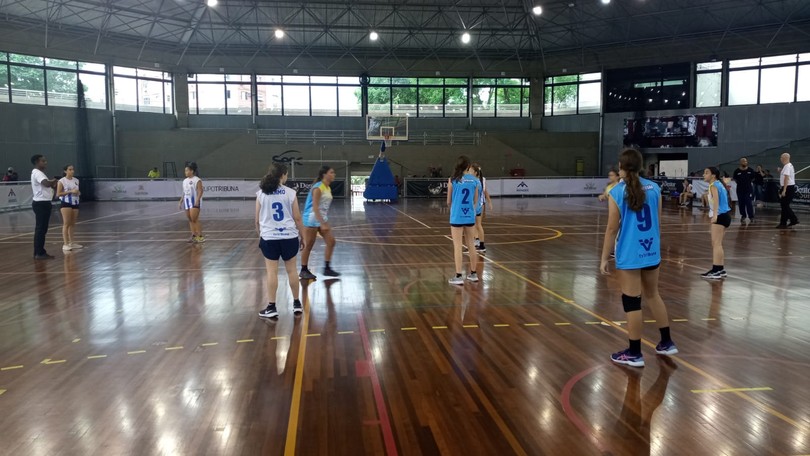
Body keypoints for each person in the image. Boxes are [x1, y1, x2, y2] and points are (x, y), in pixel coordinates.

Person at [600, 148, 677, 367]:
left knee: (632, 302)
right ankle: (667, 341)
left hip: (630, 253)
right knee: (653, 295)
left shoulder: (616, 192)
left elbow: (611, 229)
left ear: (622, 167)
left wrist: (604, 258)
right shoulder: (655, 188)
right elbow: (659, 222)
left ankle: (634, 352)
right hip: (652, 250)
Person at [256, 163, 306, 318]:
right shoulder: (290, 193)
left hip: (269, 238)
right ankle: (297, 303)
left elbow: (257, 220)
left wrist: (262, 235)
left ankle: (271, 307)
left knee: (272, 272)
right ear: (283, 175)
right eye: (286, 175)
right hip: (289, 237)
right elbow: (297, 218)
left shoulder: (261, 193)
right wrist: (303, 235)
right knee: (292, 270)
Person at [299, 165, 340, 279]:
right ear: (324, 175)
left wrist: (323, 220)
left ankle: (327, 268)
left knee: (331, 242)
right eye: (331, 172)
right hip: (311, 218)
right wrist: (322, 223)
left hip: (321, 218)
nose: (333, 174)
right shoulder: (318, 188)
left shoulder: (327, 187)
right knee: (309, 245)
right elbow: (315, 207)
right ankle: (303, 269)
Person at [447, 155, 480, 285]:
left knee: (457, 246)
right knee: (471, 244)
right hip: (470, 216)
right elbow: (475, 201)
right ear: (468, 166)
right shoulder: (475, 181)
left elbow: (448, 201)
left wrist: (455, 206)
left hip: (456, 216)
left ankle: (459, 275)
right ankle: (473, 274)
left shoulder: (453, 180)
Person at [701, 167, 731, 280]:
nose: (704, 175)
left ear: (713, 175)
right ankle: (720, 269)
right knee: (718, 244)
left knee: (716, 244)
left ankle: (716, 270)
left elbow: (716, 201)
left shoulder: (714, 185)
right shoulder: (719, 184)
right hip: (725, 216)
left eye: (706, 173)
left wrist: (714, 216)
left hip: (720, 216)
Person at [30, 155, 59, 260]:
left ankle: (38, 251)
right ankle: (39, 253)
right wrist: (53, 181)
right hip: (41, 204)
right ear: (37, 162)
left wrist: (52, 183)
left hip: (44, 203)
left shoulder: (39, 173)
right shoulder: (38, 173)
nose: (45, 162)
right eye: (43, 161)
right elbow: (46, 184)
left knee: (42, 229)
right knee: (41, 229)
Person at [56, 165, 83, 252]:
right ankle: (65, 243)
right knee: (66, 223)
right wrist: (70, 191)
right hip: (66, 203)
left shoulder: (76, 180)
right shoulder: (62, 181)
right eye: (70, 169)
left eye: (73, 169)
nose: (72, 171)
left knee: (72, 223)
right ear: (65, 171)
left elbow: (77, 191)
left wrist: (78, 193)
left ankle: (72, 242)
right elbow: (58, 194)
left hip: (75, 202)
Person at [179, 162, 204, 243]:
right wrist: (181, 201)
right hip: (187, 202)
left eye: (187, 170)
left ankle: (200, 236)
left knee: (194, 219)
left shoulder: (197, 180)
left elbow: (200, 191)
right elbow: (184, 192)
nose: (185, 172)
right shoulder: (185, 181)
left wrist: (197, 200)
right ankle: (193, 235)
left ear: (192, 171)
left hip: (194, 201)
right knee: (190, 219)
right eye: (185, 171)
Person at [472, 163, 493, 253]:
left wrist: (489, 202)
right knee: (476, 225)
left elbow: (484, 192)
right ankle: (478, 243)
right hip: (478, 204)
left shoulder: (476, 181)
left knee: (475, 225)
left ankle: (479, 244)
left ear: (476, 172)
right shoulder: (476, 180)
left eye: (471, 170)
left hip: (476, 204)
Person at [776, 153, 799, 229]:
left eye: (782, 157)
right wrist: (781, 171)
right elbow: (785, 175)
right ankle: (783, 223)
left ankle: (794, 219)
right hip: (788, 187)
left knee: (785, 205)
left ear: (786, 157)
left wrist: (784, 190)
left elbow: (786, 178)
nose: (780, 159)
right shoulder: (787, 166)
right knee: (784, 205)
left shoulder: (787, 166)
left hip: (788, 188)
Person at [733, 157, 756, 223]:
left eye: (745, 161)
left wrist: (747, 182)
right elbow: (735, 179)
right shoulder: (737, 171)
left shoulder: (750, 170)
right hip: (740, 190)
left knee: (748, 203)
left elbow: (753, 178)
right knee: (741, 203)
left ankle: (751, 216)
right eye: (743, 161)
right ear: (740, 162)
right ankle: (743, 215)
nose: (744, 162)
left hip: (748, 190)